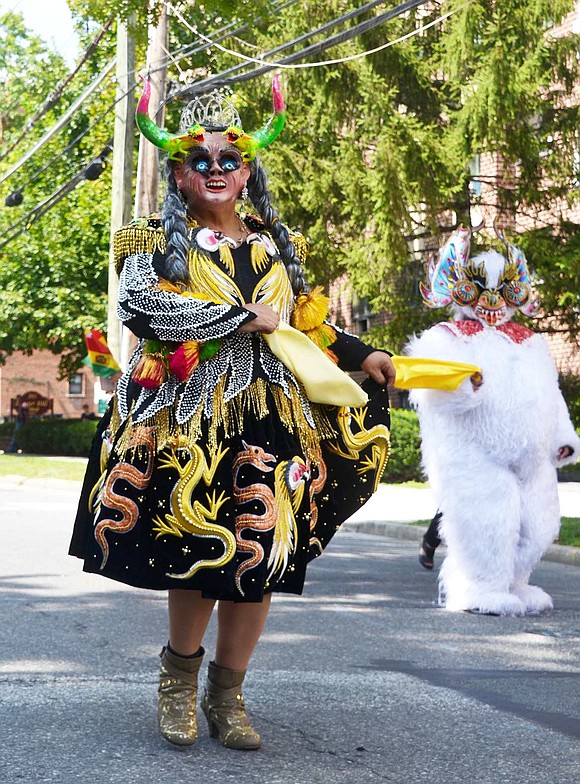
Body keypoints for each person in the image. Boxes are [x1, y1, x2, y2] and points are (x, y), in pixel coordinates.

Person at [70, 76, 395, 750]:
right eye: (201, 161)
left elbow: (307, 324)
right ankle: (178, 683)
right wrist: (239, 317)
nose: (217, 170)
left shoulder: (276, 238)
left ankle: (229, 694)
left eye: (231, 160)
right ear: (180, 173)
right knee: (197, 555)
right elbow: (144, 310)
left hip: (276, 417)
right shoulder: (147, 241)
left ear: (249, 169)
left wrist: (363, 355)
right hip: (194, 415)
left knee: (260, 558)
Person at [406, 226, 580, 615]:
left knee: (539, 526)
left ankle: (515, 583)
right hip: (474, 456)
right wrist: (464, 387)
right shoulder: (447, 335)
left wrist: (562, 438)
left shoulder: (531, 341)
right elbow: (428, 388)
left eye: (504, 292)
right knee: (490, 521)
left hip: (534, 459)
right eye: (480, 290)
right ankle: (479, 587)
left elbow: (550, 393)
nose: (491, 302)